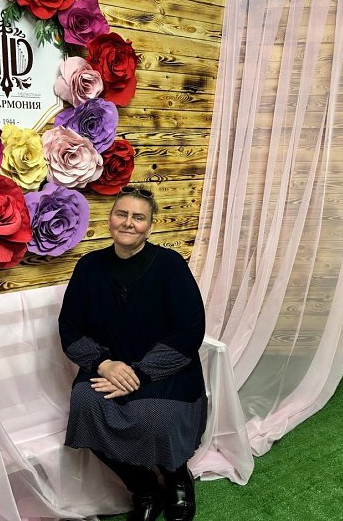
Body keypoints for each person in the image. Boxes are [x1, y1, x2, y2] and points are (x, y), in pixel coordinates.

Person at [59, 186, 207, 521]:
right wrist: (103, 364)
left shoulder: (170, 265)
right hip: (109, 367)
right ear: (110, 219)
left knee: (158, 417)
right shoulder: (88, 267)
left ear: (150, 226)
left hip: (166, 369)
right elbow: (70, 327)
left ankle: (176, 476)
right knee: (84, 403)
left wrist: (140, 372)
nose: (128, 222)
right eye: (121, 214)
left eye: (138, 217)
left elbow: (189, 329)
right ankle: (143, 486)